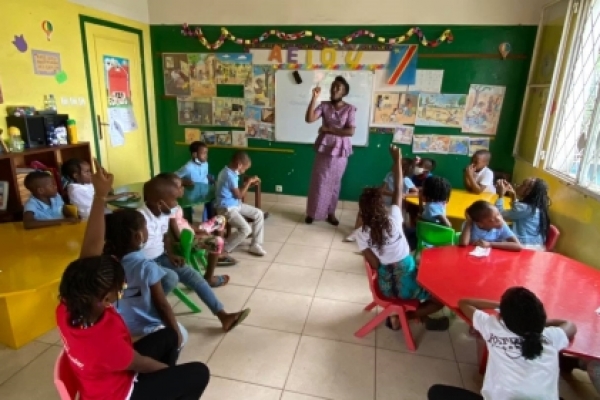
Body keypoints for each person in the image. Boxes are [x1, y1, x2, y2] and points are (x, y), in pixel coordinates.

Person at [57, 159, 209, 400]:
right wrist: (171, 376)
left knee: (170, 336)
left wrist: (100, 196)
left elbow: (90, 252)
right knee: (198, 372)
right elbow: (143, 365)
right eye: (119, 291)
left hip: (102, 375)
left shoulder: (68, 306)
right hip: (121, 394)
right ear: (105, 299)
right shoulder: (106, 343)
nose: (121, 293)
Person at [354, 145, 449, 331]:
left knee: (418, 276)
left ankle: (408, 314)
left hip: (385, 287)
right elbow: (398, 188)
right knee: (440, 298)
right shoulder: (394, 219)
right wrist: (397, 159)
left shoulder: (360, 234)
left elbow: (376, 265)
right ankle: (407, 316)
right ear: (382, 207)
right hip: (407, 286)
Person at [140, 175, 250, 331]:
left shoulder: (164, 212)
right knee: (171, 278)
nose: (176, 204)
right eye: (174, 200)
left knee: (194, 276)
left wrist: (170, 254)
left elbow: (165, 237)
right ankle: (149, 316)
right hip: (144, 263)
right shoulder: (140, 220)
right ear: (160, 203)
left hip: (162, 257)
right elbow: (133, 252)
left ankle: (223, 316)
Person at [427, 287, 577, 400]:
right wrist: (537, 325)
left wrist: (500, 306)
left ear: (503, 316)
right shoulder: (550, 336)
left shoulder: (494, 326)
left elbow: (464, 303)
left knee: (436, 392)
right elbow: (570, 325)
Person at [104, 209, 188, 349]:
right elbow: (162, 306)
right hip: (144, 330)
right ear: (139, 236)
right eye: (145, 227)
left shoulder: (106, 264)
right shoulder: (146, 267)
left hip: (118, 326)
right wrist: (176, 333)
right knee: (183, 334)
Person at [304, 76, 356, 225]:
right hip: (324, 148)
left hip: (340, 151)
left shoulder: (350, 109)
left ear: (344, 92)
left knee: (334, 183)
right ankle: (312, 213)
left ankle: (330, 213)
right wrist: (314, 98)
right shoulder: (324, 106)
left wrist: (328, 129)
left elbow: (350, 131)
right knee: (318, 181)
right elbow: (309, 119)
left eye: (338, 88)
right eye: (333, 86)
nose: (334, 89)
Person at [168, 173, 237, 279]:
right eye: (180, 187)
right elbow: (174, 231)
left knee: (220, 219)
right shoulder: (169, 209)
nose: (183, 188)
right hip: (187, 241)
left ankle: (216, 255)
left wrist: (196, 229)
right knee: (217, 241)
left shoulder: (175, 204)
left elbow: (183, 222)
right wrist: (194, 236)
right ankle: (209, 278)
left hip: (191, 232)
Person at [344, 158, 417, 242]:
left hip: (396, 207)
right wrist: (394, 194)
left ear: (402, 169)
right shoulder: (389, 175)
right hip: (384, 204)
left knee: (385, 221)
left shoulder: (406, 180)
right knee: (363, 210)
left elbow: (416, 192)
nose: (393, 165)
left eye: (396, 164)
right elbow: (382, 190)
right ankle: (356, 232)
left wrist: (403, 195)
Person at [215, 151, 266, 256]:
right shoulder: (229, 175)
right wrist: (249, 182)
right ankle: (224, 249)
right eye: (245, 169)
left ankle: (255, 245)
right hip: (226, 208)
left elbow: (236, 192)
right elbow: (239, 195)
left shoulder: (229, 172)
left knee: (259, 214)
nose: (244, 171)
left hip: (235, 204)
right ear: (239, 165)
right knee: (246, 229)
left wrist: (248, 184)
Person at [61, 158, 137, 219]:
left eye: (90, 171)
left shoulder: (85, 184)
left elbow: (109, 191)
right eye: (87, 172)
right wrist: (124, 194)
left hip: (102, 213)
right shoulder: (76, 190)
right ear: (76, 175)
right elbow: (103, 198)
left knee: (127, 213)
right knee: (129, 216)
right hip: (93, 220)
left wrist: (124, 194)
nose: (90, 174)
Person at [495, 178, 551, 251]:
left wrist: (500, 195)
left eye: (523, 184)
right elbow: (518, 210)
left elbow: (498, 214)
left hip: (527, 247)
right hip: (536, 243)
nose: (519, 185)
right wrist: (513, 196)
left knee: (491, 237)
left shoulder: (525, 208)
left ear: (528, 191)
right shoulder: (536, 206)